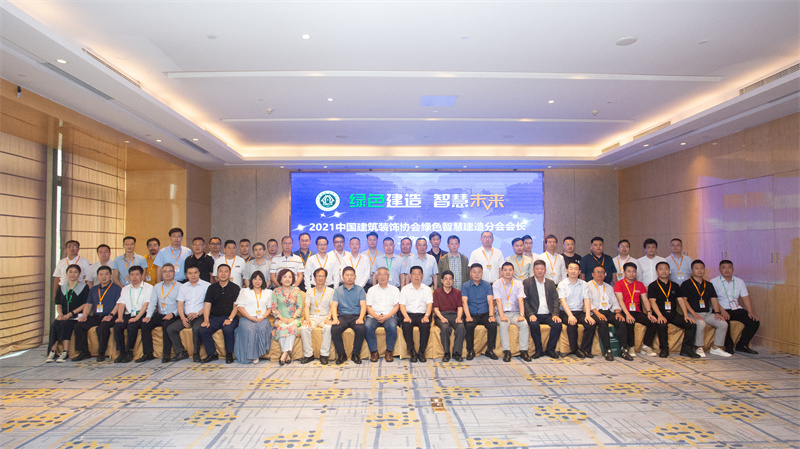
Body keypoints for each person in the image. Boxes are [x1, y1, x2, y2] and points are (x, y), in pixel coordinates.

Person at [647, 261, 699, 358]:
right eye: (661, 269)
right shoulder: (653, 286)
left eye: (666, 269)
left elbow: (681, 300)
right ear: (656, 272)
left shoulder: (675, 285)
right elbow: (652, 302)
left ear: (669, 271)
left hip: (673, 313)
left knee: (691, 324)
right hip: (659, 313)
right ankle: (664, 349)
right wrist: (659, 315)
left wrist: (686, 315)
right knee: (662, 324)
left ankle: (686, 349)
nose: (664, 271)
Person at [680, 260, 730, 358]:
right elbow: (684, 300)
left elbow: (714, 299)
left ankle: (716, 347)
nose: (699, 270)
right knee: (701, 324)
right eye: (697, 268)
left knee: (723, 323)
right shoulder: (686, 284)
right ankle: (699, 347)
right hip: (692, 313)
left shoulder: (708, 284)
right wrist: (693, 313)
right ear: (692, 270)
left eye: (702, 268)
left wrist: (717, 312)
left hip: (707, 313)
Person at [71, 265, 121, 362]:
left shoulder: (116, 288)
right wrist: (84, 315)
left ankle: (101, 353)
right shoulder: (94, 289)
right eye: (101, 275)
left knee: (103, 328)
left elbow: (118, 304)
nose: (104, 277)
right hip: (97, 316)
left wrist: (110, 315)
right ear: (97, 276)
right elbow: (88, 304)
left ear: (111, 275)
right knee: (79, 325)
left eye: (106, 274)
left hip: (111, 316)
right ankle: (84, 352)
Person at [614, 262, 663, 357]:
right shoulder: (619, 284)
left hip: (636, 311)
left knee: (653, 321)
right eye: (629, 271)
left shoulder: (640, 284)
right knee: (629, 321)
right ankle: (631, 347)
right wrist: (627, 314)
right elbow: (620, 300)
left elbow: (645, 300)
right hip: (624, 311)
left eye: (633, 271)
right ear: (624, 272)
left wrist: (649, 312)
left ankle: (646, 346)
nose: (631, 274)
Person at [711, 260, 760, 354]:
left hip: (736, 309)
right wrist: (722, 311)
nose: (727, 270)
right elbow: (713, 299)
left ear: (733, 269)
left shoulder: (739, 281)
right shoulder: (714, 282)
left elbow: (745, 297)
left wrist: (750, 311)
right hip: (720, 309)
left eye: (729, 267)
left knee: (754, 321)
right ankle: (729, 345)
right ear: (719, 269)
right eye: (723, 268)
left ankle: (742, 345)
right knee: (724, 322)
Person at [584, 266, 632, 361]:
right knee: (603, 322)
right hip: (595, 312)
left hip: (608, 311)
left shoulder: (609, 287)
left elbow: (615, 302)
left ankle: (623, 349)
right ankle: (607, 350)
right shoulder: (587, 286)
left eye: (602, 272)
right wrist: (598, 314)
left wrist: (618, 312)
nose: (600, 274)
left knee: (621, 321)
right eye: (597, 272)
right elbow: (588, 302)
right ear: (593, 274)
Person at [137, 263, 181, 363]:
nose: (167, 273)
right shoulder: (157, 286)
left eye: (170, 271)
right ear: (161, 273)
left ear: (174, 273)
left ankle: (166, 354)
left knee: (166, 325)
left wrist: (173, 314)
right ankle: (148, 354)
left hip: (173, 314)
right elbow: (152, 302)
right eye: (165, 271)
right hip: (160, 313)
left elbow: (182, 305)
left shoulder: (180, 286)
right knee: (145, 324)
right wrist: (148, 316)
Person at [165, 266, 210, 362]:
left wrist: (197, 314)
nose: (193, 275)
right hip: (187, 316)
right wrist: (182, 318)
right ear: (186, 275)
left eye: (195, 272)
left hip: (200, 315)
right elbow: (180, 304)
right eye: (190, 273)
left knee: (196, 329)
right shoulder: (183, 286)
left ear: (199, 273)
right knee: (171, 329)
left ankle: (196, 353)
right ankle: (181, 352)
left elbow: (209, 304)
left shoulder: (206, 285)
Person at [46, 264, 89, 363]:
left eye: (75, 272)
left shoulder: (84, 287)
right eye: (70, 272)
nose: (73, 274)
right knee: (55, 325)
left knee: (66, 324)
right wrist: (60, 314)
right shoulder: (61, 287)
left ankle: (65, 352)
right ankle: (52, 351)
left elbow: (85, 304)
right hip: (64, 315)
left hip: (76, 316)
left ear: (79, 274)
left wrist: (70, 314)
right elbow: (58, 304)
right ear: (66, 274)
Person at [199, 264, 240, 363]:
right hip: (215, 318)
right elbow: (207, 305)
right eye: (221, 271)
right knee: (203, 329)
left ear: (229, 274)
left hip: (230, 317)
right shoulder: (211, 288)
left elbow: (236, 307)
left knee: (228, 329)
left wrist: (230, 319)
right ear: (217, 274)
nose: (223, 274)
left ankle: (229, 354)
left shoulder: (235, 288)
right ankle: (212, 353)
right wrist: (206, 320)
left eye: (226, 271)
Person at [112, 266, 153, 363]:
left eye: (137, 275)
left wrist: (137, 318)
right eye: (132, 275)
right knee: (117, 326)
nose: (134, 277)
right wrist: (120, 317)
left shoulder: (149, 287)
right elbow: (121, 304)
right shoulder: (125, 289)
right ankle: (122, 352)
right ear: (129, 276)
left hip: (141, 314)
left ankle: (129, 352)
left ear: (142, 276)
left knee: (132, 326)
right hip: (128, 314)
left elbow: (146, 304)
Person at [522, 260, 562, 359]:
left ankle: (550, 350)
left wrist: (555, 314)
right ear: (533, 270)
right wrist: (530, 314)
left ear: (545, 270)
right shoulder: (527, 282)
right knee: (534, 324)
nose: (539, 271)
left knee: (557, 324)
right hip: (534, 313)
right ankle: (539, 350)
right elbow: (524, 301)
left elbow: (556, 300)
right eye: (537, 269)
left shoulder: (550, 283)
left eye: (542, 269)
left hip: (548, 314)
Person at [493, 262, 530, 362]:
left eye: (510, 270)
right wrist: (502, 316)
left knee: (524, 324)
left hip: (515, 313)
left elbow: (521, 300)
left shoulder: (518, 284)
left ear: (513, 272)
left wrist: (522, 315)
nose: (508, 272)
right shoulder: (497, 283)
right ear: (502, 272)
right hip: (502, 313)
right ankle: (507, 351)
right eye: (505, 270)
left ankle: (524, 351)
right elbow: (498, 301)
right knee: (504, 324)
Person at [234, 271, 273, 364]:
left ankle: (257, 354)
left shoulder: (268, 292)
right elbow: (240, 307)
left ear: (263, 281)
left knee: (262, 328)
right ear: (251, 280)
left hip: (262, 318)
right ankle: (251, 355)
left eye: (260, 279)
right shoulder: (244, 291)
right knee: (250, 329)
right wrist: (251, 318)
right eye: (255, 279)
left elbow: (270, 308)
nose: (257, 281)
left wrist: (262, 317)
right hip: (247, 317)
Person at [558, 262, 595, 358]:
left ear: (579, 272)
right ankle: (575, 349)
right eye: (571, 269)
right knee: (572, 323)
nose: (573, 271)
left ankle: (585, 349)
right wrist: (570, 315)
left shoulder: (584, 284)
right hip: (566, 312)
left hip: (579, 312)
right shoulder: (562, 284)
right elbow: (562, 301)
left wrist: (588, 315)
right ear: (567, 271)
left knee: (591, 323)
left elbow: (587, 300)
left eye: (576, 269)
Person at [461, 263, 498, 360]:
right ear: (470, 273)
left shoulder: (487, 285)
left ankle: (490, 350)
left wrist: (491, 316)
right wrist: (468, 316)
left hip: (484, 313)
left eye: (479, 272)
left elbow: (490, 301)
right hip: (471, 314)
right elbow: (464, 302)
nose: (476, 274)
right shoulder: (465, 285)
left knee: (493, 325)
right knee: (469, 325)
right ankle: (470, 350)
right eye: (474, 272)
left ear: (482, 273)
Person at [330, 266, 367, 364]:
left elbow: (363, 306)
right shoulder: (337, 290)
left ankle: (356, 354)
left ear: (355, 277)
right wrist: (335, 318)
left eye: (351, 275)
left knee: (361, 328)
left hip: (356, 316)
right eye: (347, 275)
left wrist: (361, 318)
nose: (349, 277)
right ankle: (341, 354)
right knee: (335, 329)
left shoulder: (360, 290)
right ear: (342, 277)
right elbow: (334, 306)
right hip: (343, 316)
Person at [364, 267, 400, 362]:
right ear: (376, 277)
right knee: (367, 326)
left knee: (392, 326)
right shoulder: (371, 290)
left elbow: (396, 306)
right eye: (380, 274)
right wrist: (376, 316)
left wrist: (387, 316)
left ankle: (389, 352)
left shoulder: (395, 290)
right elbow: (368, 307)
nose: (382, 277)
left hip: (390, 316)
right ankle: (374, 352)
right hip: (374, 315)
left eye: (385, 274)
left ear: (388, 276)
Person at [400, 266, 433, 363]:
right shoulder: (405, 289)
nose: (416, 276)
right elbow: (402, 305)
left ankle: (421, 352)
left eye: (419, 274)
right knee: (406, 325)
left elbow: (429, 305)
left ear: (422, 276)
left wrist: (426, 316)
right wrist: (406, 316)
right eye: (414, 274)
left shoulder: (427, 289)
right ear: (410, 276)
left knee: (425, 326)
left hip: (422, 314)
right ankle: (412, 352)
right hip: (409, 314)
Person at [301, 268, 334, 364]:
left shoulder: (331, 291)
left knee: (328, 328)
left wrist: (329, 318)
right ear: (314, 278)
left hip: (325, 316)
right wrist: (307, 319)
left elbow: (332, 307)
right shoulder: (309, 291)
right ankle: (308, 355)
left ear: (326, 278)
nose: (320, 278)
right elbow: (307, 307)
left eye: (322, 276)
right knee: (304, 328)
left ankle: (324, 355)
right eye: (318, 276)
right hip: (312, 317)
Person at [272, 269, 305, 365]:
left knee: (291, 327)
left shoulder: (296, 290)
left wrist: (292, 318)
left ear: (293, 279)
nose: (287, 279)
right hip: (280, 319)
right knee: (282, 327)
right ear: (280, 279)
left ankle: (284, 354)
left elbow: (300, 307)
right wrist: (282, 319)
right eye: (285, 277)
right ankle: (287, 355)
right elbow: (274, 308)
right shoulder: (275, 291)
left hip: (294, 318)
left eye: (290, 277)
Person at [433, 271, 466, 362]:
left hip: (454, 315)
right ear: (442, 281)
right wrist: (442, 318)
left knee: (461, 327)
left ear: (453, 281)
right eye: (446, 279)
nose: (448, 281)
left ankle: (457, 353)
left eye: (450, 279)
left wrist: (459, 317)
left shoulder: (457, 292)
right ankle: (446, 353)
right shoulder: (436, 292)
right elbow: (435, 309)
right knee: (445, 327)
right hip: (441, 315)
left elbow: (460, 307)